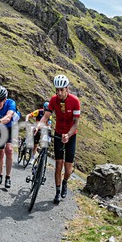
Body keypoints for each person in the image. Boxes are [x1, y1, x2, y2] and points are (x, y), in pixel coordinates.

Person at [36, 74, 81, 204]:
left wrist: (68, 134)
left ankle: (65, 181)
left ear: (67, 88)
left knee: (68, 170)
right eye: (57, 90)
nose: (59, 93)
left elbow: (76, 123)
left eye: (61, 90)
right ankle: (57, 192)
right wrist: (38, 126)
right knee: (58, 166)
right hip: (58, 134)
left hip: (71, 136)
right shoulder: (53, 100)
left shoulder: (75, 101)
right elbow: (46, 116)